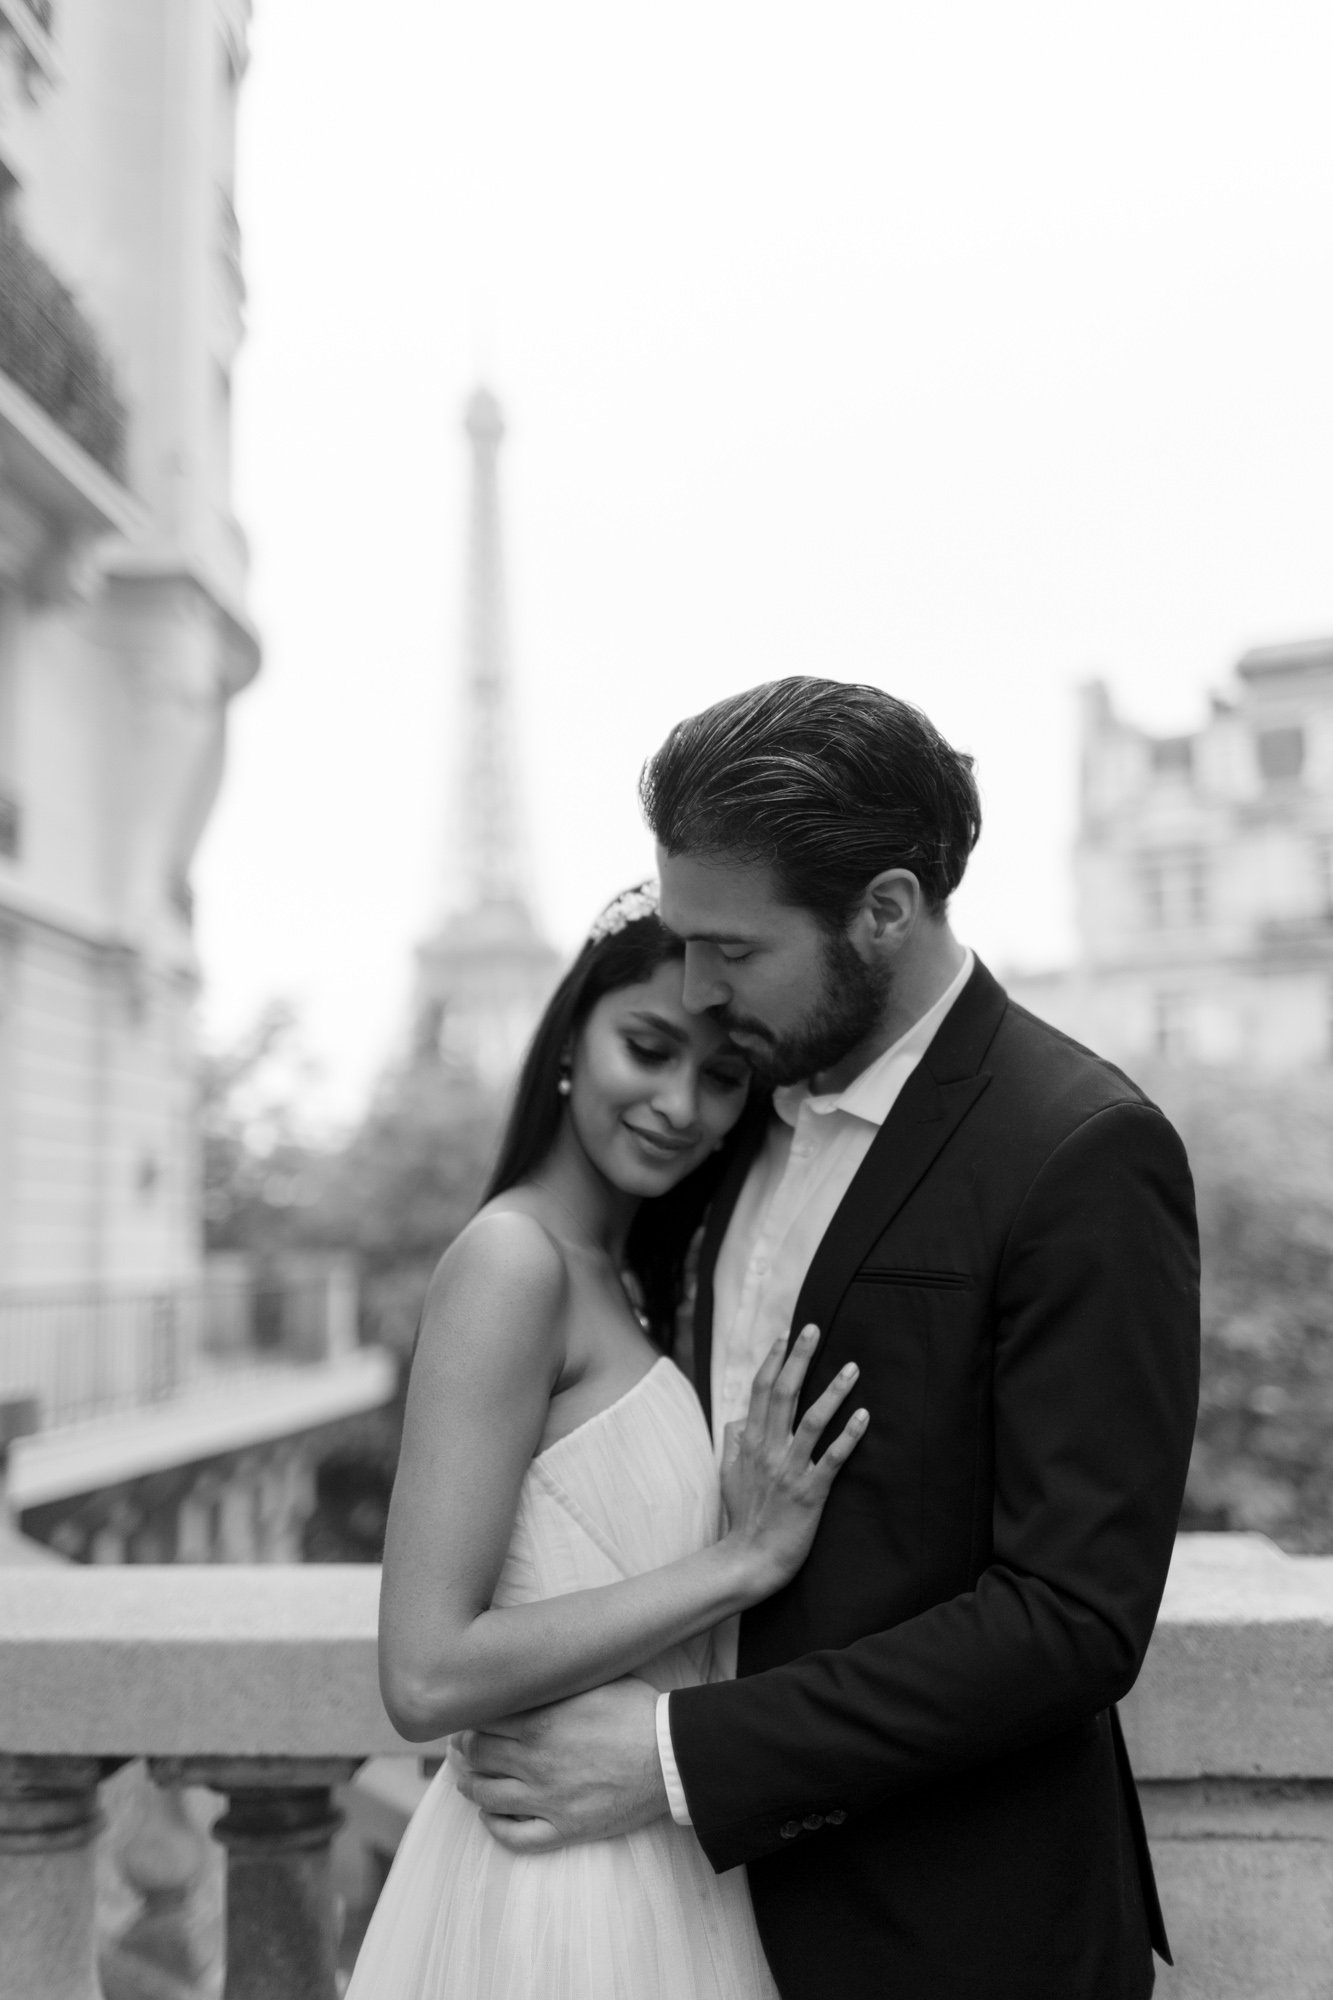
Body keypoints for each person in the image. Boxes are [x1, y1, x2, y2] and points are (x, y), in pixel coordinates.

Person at [451, 678, 1202, 2000]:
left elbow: (1072, 1618)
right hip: (689, 1918)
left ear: (885, 911)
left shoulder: (1080, 1150)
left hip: (955, 1937)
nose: (693, 987)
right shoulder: (733, 1120)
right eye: (681, 941)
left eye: (731, 951)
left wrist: (683, 1754)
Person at [345, 886, 867, 2000]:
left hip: (649, 1848)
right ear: (572, 1037)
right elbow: (425, 1672)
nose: (680, 1103)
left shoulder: (622, 1277)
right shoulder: (512, 1263)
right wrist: (741, 1559)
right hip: (556, 1899)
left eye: (722, 1075)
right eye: (648, 1046)